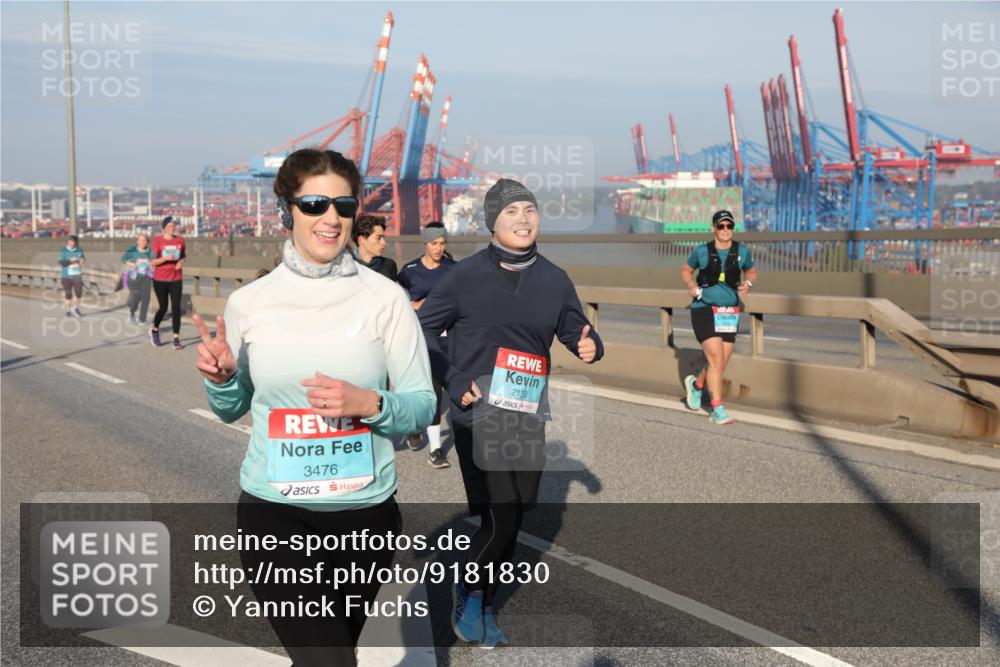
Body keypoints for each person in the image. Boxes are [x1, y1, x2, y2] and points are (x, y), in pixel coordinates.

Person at [193, 148, 434, 667]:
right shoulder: (250, 303)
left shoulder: (385, 298)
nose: (331, 218)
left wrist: (368, 402)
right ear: (288, 211)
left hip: (365, 519)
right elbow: (232, 409)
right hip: (275, 518)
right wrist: (222, 379)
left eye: (343, 206)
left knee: (330, 655)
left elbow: (420, 407)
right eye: (314, 204)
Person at [418, 178, 604, 647]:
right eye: (511, 212)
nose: (523, 219)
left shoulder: (554, 279)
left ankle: (482, 596)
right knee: (501, 517)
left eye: (529, 209)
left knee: (514, 515)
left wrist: (590, 344)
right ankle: (470, 594)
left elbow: (575, 328)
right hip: (478, 411)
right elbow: (422, 331)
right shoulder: (463, 277)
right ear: (492, 222)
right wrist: (455, 382)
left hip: (526, 412)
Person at [680, 209, 758, 425]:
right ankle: (717, 410)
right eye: (721, 226)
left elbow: (751, 272)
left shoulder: (742, 251)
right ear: (714, 228)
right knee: (715, 358)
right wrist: (691, 285)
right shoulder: (702, 251)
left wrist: (748, 283)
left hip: (729, 312)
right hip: (704, 308)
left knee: (720, 362)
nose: (725, 230)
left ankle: (696, 385)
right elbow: (686, 270)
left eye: (729, 226)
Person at [398, 222, 457, 468]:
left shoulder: (453, 268)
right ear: (425, 244)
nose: (439, 248)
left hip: (450, 337)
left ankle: (430, 442)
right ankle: (429, 442)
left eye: (443, 243)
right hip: (421, 337)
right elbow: (396, 299)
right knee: (430, 391)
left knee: (447, 389)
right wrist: (414, 305)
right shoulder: (410, 270)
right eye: (434, 243)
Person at [150, 216, 187, 349]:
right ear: (163, 228)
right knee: (164, 308)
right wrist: (165, 258)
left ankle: (176, 338)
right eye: (170, 226)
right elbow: (152, 262)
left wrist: (181, 262)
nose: (172, 228)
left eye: (174, 226)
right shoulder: (158, 241)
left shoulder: (180, 241)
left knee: (176, 308)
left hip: (176, 278)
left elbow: (183, 256)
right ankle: (155, 329)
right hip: (160, 279)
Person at [351, 214, 397, 280]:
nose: (383, 243)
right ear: (361, 240)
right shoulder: (346, 265)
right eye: (378, 238)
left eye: (383, 238)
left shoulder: (389, 265)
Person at [120, 232, 153, 324]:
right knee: (136, 295)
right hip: (133, 276)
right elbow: (123, 258)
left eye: (144, 240)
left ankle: (142, 320)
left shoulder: (150, 251)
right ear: (137, 241)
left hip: (146, 276)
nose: (142, 242)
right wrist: (130, 264)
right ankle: (132, 311)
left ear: (147, 241)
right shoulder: (132, 250)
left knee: (146, 297)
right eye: (140, 240)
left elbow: (154, 262)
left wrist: (152, 265)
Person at [57, 234, 85, 317]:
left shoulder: (79, 249)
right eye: (69, 241)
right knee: (68, 294)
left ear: (75, 242)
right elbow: (61, 263)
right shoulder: (64, 250)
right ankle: (68, 309)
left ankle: (75, 308)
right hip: (66, 276)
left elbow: (82, 257)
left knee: (79, 293)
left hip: (77, 275)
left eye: (72, 241)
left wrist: (82, 261)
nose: (70, 243)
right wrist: (70, 261)